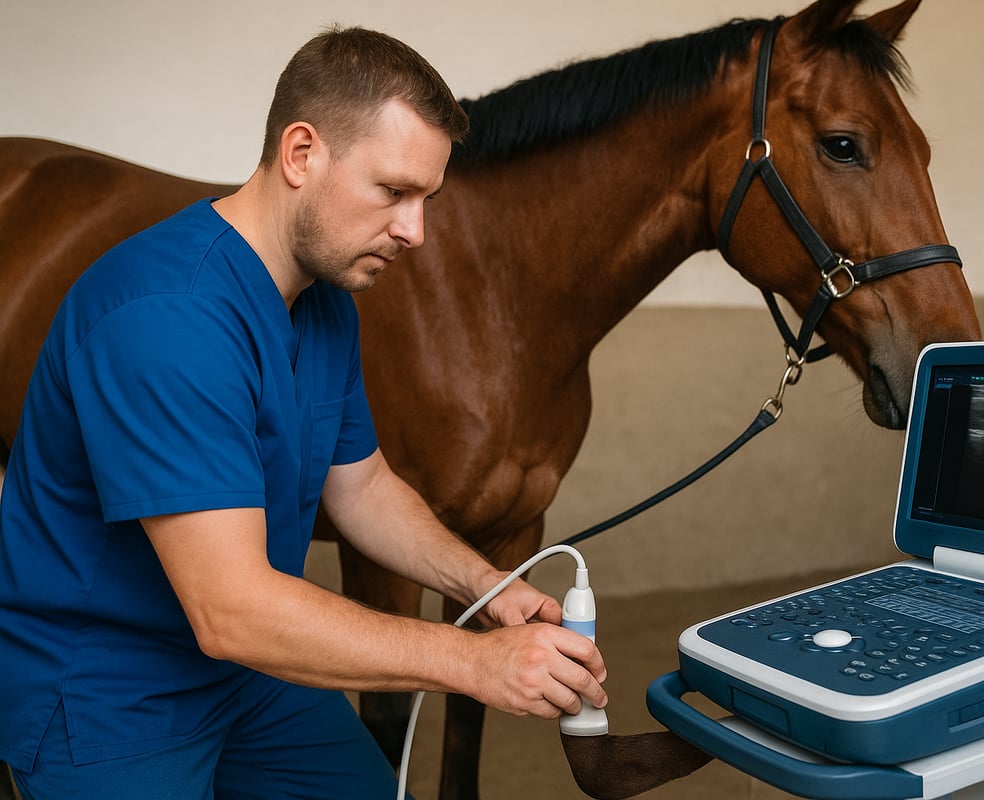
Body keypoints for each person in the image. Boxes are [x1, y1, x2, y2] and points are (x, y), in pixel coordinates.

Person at [0, 26, 607, 800]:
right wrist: (472, 663)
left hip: (245, 678)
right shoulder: (167, 317)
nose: (415, 232)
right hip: (112, 694)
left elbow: (363, 487)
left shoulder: (324, 303)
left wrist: (484, 588)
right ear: (300, 154)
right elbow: (231, 609)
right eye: (393, 191)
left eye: (428, 199)